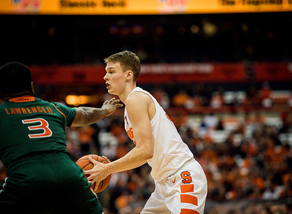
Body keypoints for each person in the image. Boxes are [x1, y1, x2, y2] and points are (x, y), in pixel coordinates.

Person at [86, 50, 207, 214]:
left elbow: (145, 151)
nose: (105, 77)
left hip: (183, 177)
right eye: (106, 72)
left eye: (111, 72)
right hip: (163, 185)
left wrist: (107, 169)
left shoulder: (135, 99)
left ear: (129, 75)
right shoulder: (130, 106)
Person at [0, 62, 123, 214]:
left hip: (26, 179)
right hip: (70, 176)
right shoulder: (54, 108)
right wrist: (104, 110)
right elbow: (85, 114)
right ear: (32, 87)